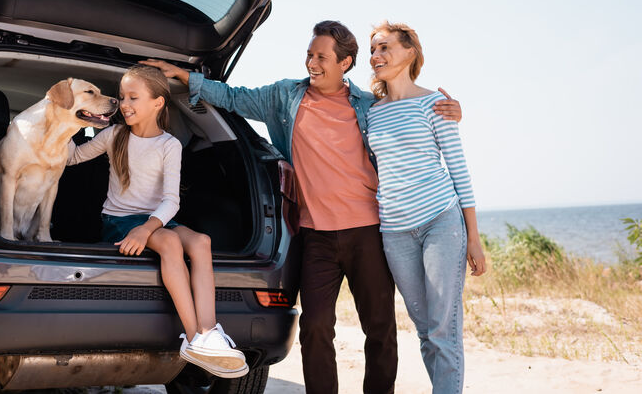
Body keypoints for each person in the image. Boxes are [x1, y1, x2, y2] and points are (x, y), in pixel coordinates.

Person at [141, 21, 462, 394]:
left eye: (322, 57)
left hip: (368, 232)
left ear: (345, 62)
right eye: (310, 55)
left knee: (380, 328)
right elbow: (233, 96)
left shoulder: (368, 106)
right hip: (316, 237)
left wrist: (449, 110)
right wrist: (187, 77)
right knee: (315, 328)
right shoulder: (284, 98)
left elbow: (407, 117)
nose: (312, 63)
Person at [66, 64, 248, 379]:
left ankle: (210, 333)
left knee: (202, 242)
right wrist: (69, 122)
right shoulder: (114, 134)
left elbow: (170, 201)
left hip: (154, 220)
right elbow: (73, 158)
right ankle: (192, 339)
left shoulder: (169, 145)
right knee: (170, 242)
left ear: (157, 103)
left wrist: (148, 227)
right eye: (123, 97)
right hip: (119, 219)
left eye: (133, 98)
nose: (124, 104)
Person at [366, 21, 485, 394]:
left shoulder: (435, 104)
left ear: (410, 52)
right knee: (424, 331)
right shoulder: (371, 111)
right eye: (373, 50)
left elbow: (459, 169)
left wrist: (474, 238)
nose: (376, 56)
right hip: (395, 231)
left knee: (442, 329)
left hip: (441, 222)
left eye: (384, 47)